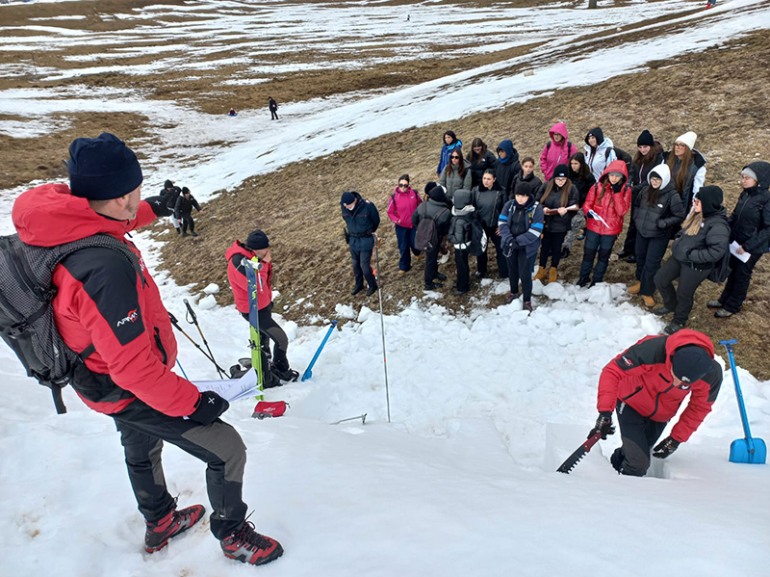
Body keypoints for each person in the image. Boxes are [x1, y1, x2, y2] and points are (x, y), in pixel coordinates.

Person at [11, 133, 282, 566]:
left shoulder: (59, 217)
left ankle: (159, 521)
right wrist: (195, 402)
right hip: (120, 382)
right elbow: (134, 371)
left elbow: (107, 220)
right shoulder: (105, 270)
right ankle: (232, 534)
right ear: (122, 194)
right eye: (135, 189)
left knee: (139, 445)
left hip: (95, 375)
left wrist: (155, 206)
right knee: (227, 448)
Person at [589, 329, 722, 477]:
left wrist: (676, 439)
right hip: (630, 404)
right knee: (638, 464)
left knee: (638, 452)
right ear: (671, 360)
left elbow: (699, 407)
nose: (676, 383)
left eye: (684, 384)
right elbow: (613, 371)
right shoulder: (652, 350)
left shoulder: (711, 375)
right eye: (675, 375)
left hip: (661, 416)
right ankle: (621, 494)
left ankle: (615, 467)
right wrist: (605, 412)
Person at [654, 185, 730, 335]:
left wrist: (691, 255)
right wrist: (678, 239)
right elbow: (684, 230)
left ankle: (679, 320)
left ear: (708, 203)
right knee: (660, 279)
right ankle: (671, 304)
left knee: (684, 293)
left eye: (697, 201)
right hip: (680, 257)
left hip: (696, 265)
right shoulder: (697, 214)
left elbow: (716, 252)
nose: (694, 203)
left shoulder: (718, 226)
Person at [225, 229, 297, 383]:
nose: (268, 251)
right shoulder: (239, 263)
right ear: (256, 249)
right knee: (281, 339)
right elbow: (256, 286)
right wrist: (264, 263)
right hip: (253, 311)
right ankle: (282, 370)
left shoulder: (252, 257)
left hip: (263, 306)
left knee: (263, 340)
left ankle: (266, 369)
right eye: (265, 249)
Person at [710, 162, 770, 317]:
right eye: (742, 177)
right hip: (736, 243)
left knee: (742, 275)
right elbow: (736, 216)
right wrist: (725, 229)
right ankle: (724, 300)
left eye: (747, 178)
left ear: (759, 180)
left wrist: (748, 246)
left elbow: (768, 229)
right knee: (733, 271)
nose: (743, 180)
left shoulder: (766, 200)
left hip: (751, 247)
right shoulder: (745, 194)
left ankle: (733, 306)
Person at [628, 164, 685, 308]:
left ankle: (647, 291)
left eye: (657, 180)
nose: (654, 182)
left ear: (664, 180)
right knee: (640, 257)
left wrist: (664, 223)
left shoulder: (672, 196)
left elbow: (679, 215)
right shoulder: (645, 191)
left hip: (658, 236)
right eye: (652, 179)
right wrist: (637, 218)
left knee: (652, 263)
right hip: (642, 232)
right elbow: (636, 205)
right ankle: (640, 281)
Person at [578, 160, 632, 287]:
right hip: (593, 227)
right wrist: (588, 212)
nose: (614, 178)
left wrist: (617, 193)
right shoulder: (597, 187)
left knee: (603, 256)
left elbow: (621, 211)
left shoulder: (626, 191)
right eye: (612, 175)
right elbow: (587, 204)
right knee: (588, 254)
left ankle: (597, 280)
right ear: (607, 174)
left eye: (617, 176)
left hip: (610, 231)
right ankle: (583, 277)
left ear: (622, 177)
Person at [618, 130, 665, 263]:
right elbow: (632, 171)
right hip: (637, 194)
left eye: (645, 146)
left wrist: (635, 188)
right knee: (633, 221)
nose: (643, 149)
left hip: (648, 195)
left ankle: (637, 253)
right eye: (640, 147)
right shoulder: (638, 157)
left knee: (641, 223)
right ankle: (628, 248)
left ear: (650, 146)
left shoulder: (658, 158)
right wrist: (629, 182)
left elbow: (652, 178)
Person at [498, 181, 544, 311]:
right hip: (510, 244)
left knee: (524, 274)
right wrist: (509, 240)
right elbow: (502, 223)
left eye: (523, 196)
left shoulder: (536, 208)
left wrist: (518, 241)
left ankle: (527, 300)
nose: (520, 198)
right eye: (518, 195)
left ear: (528, 196)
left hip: (526, 247)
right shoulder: (509, 205)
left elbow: (536, 230)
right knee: (512, 271)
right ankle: (513, 292)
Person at [534, 164, 579, 284]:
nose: (560, 182)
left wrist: (566, 212)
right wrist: (543, 208)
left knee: (556, 248)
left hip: (561, 225)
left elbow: (574, 207)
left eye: (563, 179)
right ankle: (541, 269)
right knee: (544, 247)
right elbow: (537, 201)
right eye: (558, 179)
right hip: (546, 223)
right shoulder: (546, 186)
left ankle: (553, 269)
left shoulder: (572, 189)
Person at [412, 183, 452, 290]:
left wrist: (421, 229)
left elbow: (414, 219)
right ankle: (428, 283)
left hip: (423, 236)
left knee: (433, 258)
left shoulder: (422, 205)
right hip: (436, 238)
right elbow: (446, 229)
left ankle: (434, 273)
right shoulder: (445, 212)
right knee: (430, 259)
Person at [341, 191, 380, 296]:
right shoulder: (344, 206)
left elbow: (376, 220)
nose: (347, 207)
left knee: (364, 266)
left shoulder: (367, 206)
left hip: (366, 240)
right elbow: (346, 219)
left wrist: (368, 231)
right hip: (353, 240)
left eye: (348, 205)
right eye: (345, 205)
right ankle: (359, 284)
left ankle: (372, 285)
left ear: (354, 200)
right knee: (355, 265)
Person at [471, 169, 505, 279]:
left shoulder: (501, 192)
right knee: (481, 249)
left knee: (501, 248)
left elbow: (505, 210)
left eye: (489, 179)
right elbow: (472, 207)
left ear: (494, 179)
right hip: (482, 226)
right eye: (484, 178)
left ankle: (504, 271)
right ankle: (481, 270)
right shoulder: (476, 191)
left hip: (496, 226)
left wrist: (502, 226)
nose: (486, 181)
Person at [561, 152, 596, 257]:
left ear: (581, 164)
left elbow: (592, 193)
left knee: (573, 226)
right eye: (572, 163)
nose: (573, 166)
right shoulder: (568, 175)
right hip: (567, 204)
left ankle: (566, 247)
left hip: (580, 206)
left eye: (576, 163)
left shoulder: (588, 177)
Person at [664, 130, 707, 214]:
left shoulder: (696, 166)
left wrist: (693, 208)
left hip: (683, 203)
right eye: (676, 144)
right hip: (666, 200)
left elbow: (697, 189)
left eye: (681, 145)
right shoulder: (668, 159)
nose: (677, 147)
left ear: (687, 148)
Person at [386, 174, 422, 273]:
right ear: (398, 184)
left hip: (414, 224)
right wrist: (397, 220)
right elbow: (389, 212)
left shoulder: (414, 193)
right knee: (403, 246)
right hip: (401, 227)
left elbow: (421, 204)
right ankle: (404, 266)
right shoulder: (393, 197)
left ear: (408, 185)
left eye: (405, 185)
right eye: (401, 185)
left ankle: (417, 253)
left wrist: (419, 216)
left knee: (415, 243)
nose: (403, 187)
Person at [448, 188, 476, 295]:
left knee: (461, 266)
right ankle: (463, 282)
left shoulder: (459, 219)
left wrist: (451, 238)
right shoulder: (468, 213)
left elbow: (458, 238)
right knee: (463, 265)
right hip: (466, 243)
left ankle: (462, 287)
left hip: (460, 246)